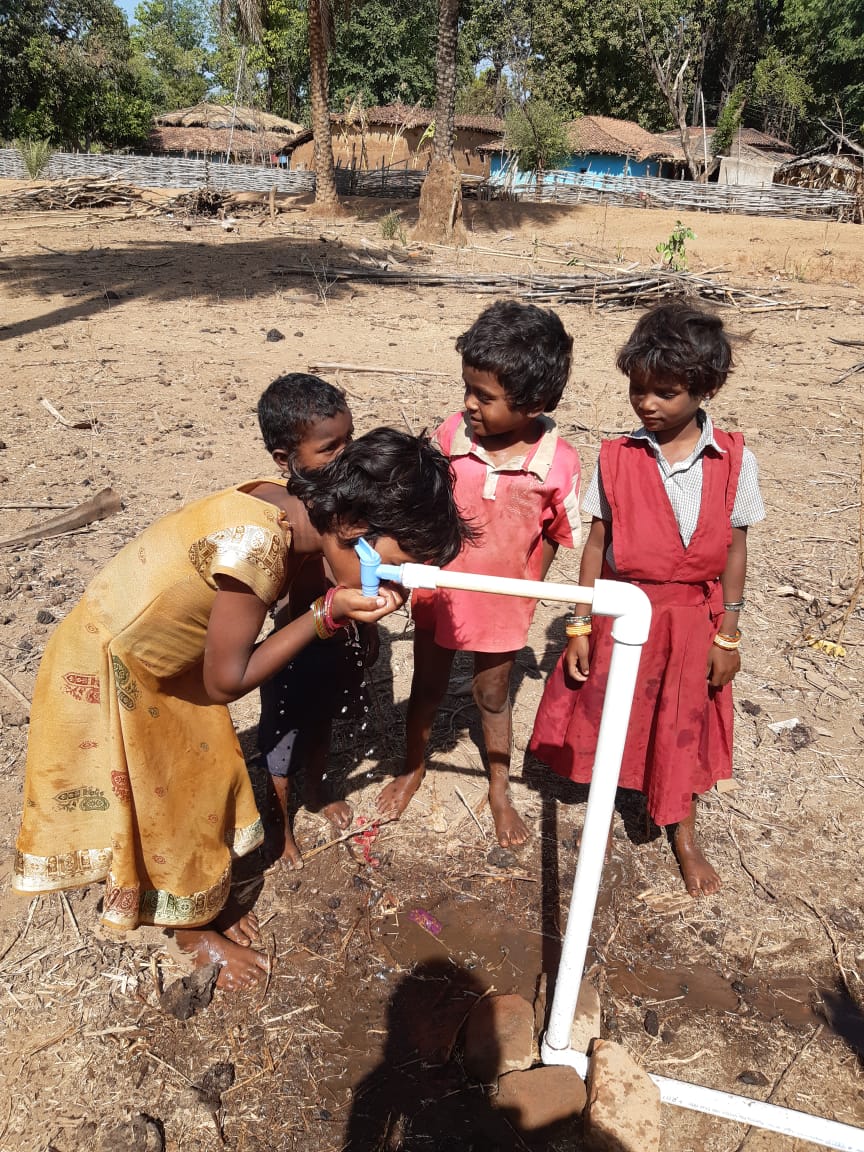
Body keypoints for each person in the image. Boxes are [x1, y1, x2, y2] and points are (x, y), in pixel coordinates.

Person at [13, 426, 470, 989]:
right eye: (396, 568)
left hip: (163, 657)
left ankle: (198, 897)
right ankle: (192, 933)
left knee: (204, 774)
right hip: (119, 663)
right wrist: (328, 615)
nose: (398, 586)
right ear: (354, 530)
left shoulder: (288, 505)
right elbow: (229, 681)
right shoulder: (254, 547)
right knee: (169, 793)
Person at [530, 300, 765, 897]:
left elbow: (735, 549)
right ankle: (608, 805)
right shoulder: (618, 458)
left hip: (693, 620)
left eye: (664, 393)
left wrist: (728, 633)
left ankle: (682, 831)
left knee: (683, 722)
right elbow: (597, 544)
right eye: (638, 390)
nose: (647, 404)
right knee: (616, 714)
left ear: (704, 388)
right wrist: (579, 623)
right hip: (625, 612)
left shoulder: (735, 461)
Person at [376, 300, 581, 848]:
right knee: (428, 684)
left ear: (535, 402)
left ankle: (498, 789)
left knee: (493, 694)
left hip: (502, 601)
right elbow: (421, 510)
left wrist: (525, 592)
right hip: (439, 593)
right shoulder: (451, 439)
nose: (468, 404)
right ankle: (413, 767)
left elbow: (558, 537)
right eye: (467, 388)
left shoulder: (557, 463)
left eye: (484, 397)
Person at [255, 374, 372, 869]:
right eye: (329, 448)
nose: (345, 455)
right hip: (292, 647)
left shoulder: (349, 498)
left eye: (350, 440)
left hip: (336, 639)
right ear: (286, 460)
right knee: (280, 743)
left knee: (323, 723)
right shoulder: (284, 518)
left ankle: (319, 790)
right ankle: (278, 825)